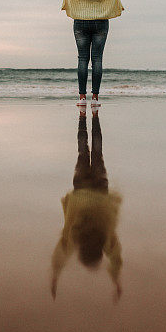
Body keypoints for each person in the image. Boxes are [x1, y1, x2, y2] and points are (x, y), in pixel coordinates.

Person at [50, 108, 123, 302]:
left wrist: (56, 276)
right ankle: (84, 117)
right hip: (83, 185)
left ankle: (93, 116)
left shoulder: (100, 236)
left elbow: (115, 258)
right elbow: (62, 251)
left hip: (97, 186)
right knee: (84, 151)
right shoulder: (77, 235)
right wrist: (55, 276)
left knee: (96, 152)